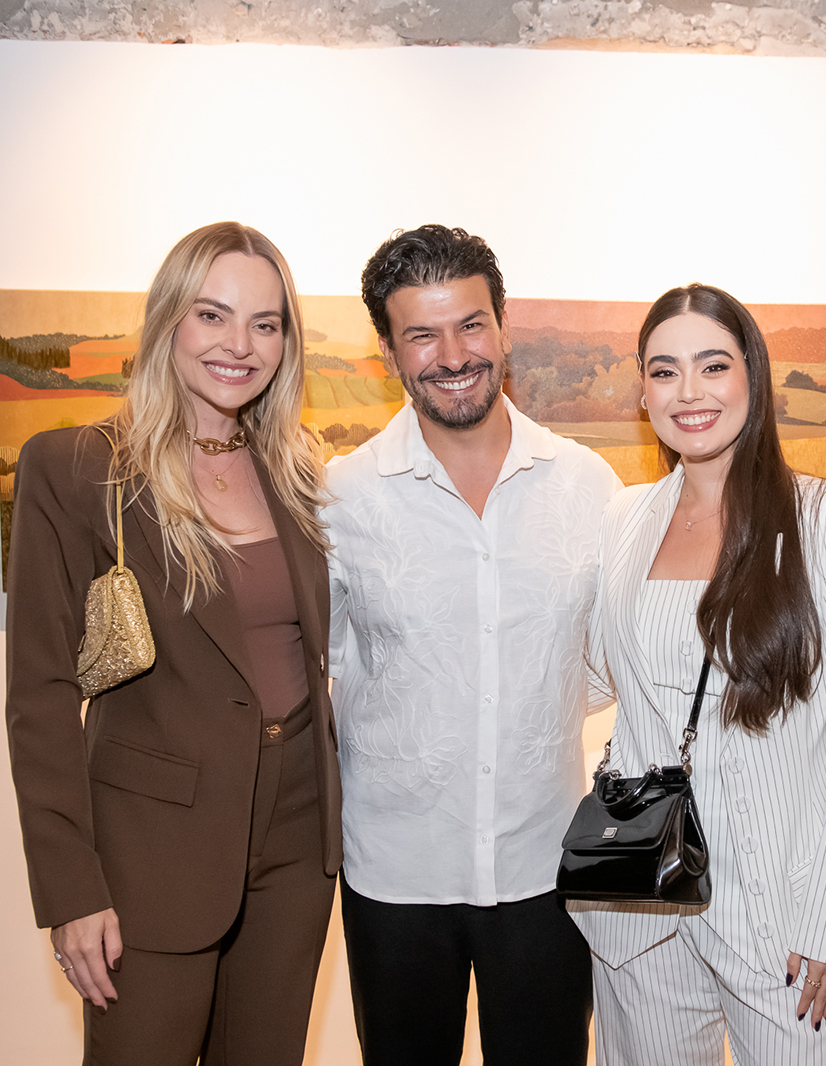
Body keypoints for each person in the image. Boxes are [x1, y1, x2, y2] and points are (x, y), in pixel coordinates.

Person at [568, 283, 826, 1065]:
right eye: (664, 372)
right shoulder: (625, 519)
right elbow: (599, 676)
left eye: (712, 366)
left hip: (788, 920)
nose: (689, 393)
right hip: (643, 902)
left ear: (753, 377)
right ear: (642, 391)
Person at [4, 221, 341, 1065]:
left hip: (295, 848)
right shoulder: (80, 470)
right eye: (213, 316)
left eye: (266, 324)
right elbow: (40, 698)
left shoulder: (300, 474)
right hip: (147, 857)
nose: (241, 345)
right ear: (168, 323)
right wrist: (69, 890)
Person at [326, 224, 623, 1065]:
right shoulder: (344, 498)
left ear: (503, 325)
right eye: (421, 334)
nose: (452, 355)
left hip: (544, 875)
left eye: (469, 325)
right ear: (389, 351)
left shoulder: (587, 485)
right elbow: (329, 670)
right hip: (393, 876)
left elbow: (602, 663)